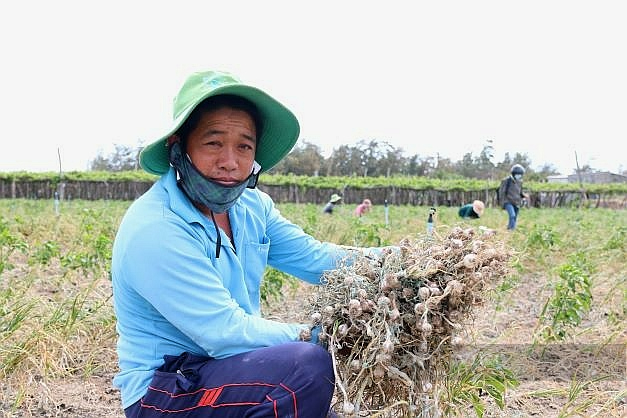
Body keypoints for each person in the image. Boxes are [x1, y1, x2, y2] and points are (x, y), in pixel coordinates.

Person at [111, 70, 373, 418]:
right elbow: (224, 332)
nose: (230, 162)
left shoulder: (251, 208)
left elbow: (317, 259)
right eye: (213, 143)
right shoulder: (156, 228)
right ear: (178, 147)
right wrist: (326, 336)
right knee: (304, 368)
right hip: (165, 392)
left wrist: (402, 265)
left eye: (244, 146)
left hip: (227, 373)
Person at [498, 164, 528, 230]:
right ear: (514, 174)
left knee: (515, 217)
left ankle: (509, 228)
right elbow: (502, 192)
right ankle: (511, 230)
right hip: (508, 202)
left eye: (520, 174)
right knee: (512, 215)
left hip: (516, 202)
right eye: (518, 174)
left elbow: (520, 192)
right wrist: (502, 203)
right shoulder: (506, 181)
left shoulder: (520, 182)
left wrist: (524, 196)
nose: (519, 176)